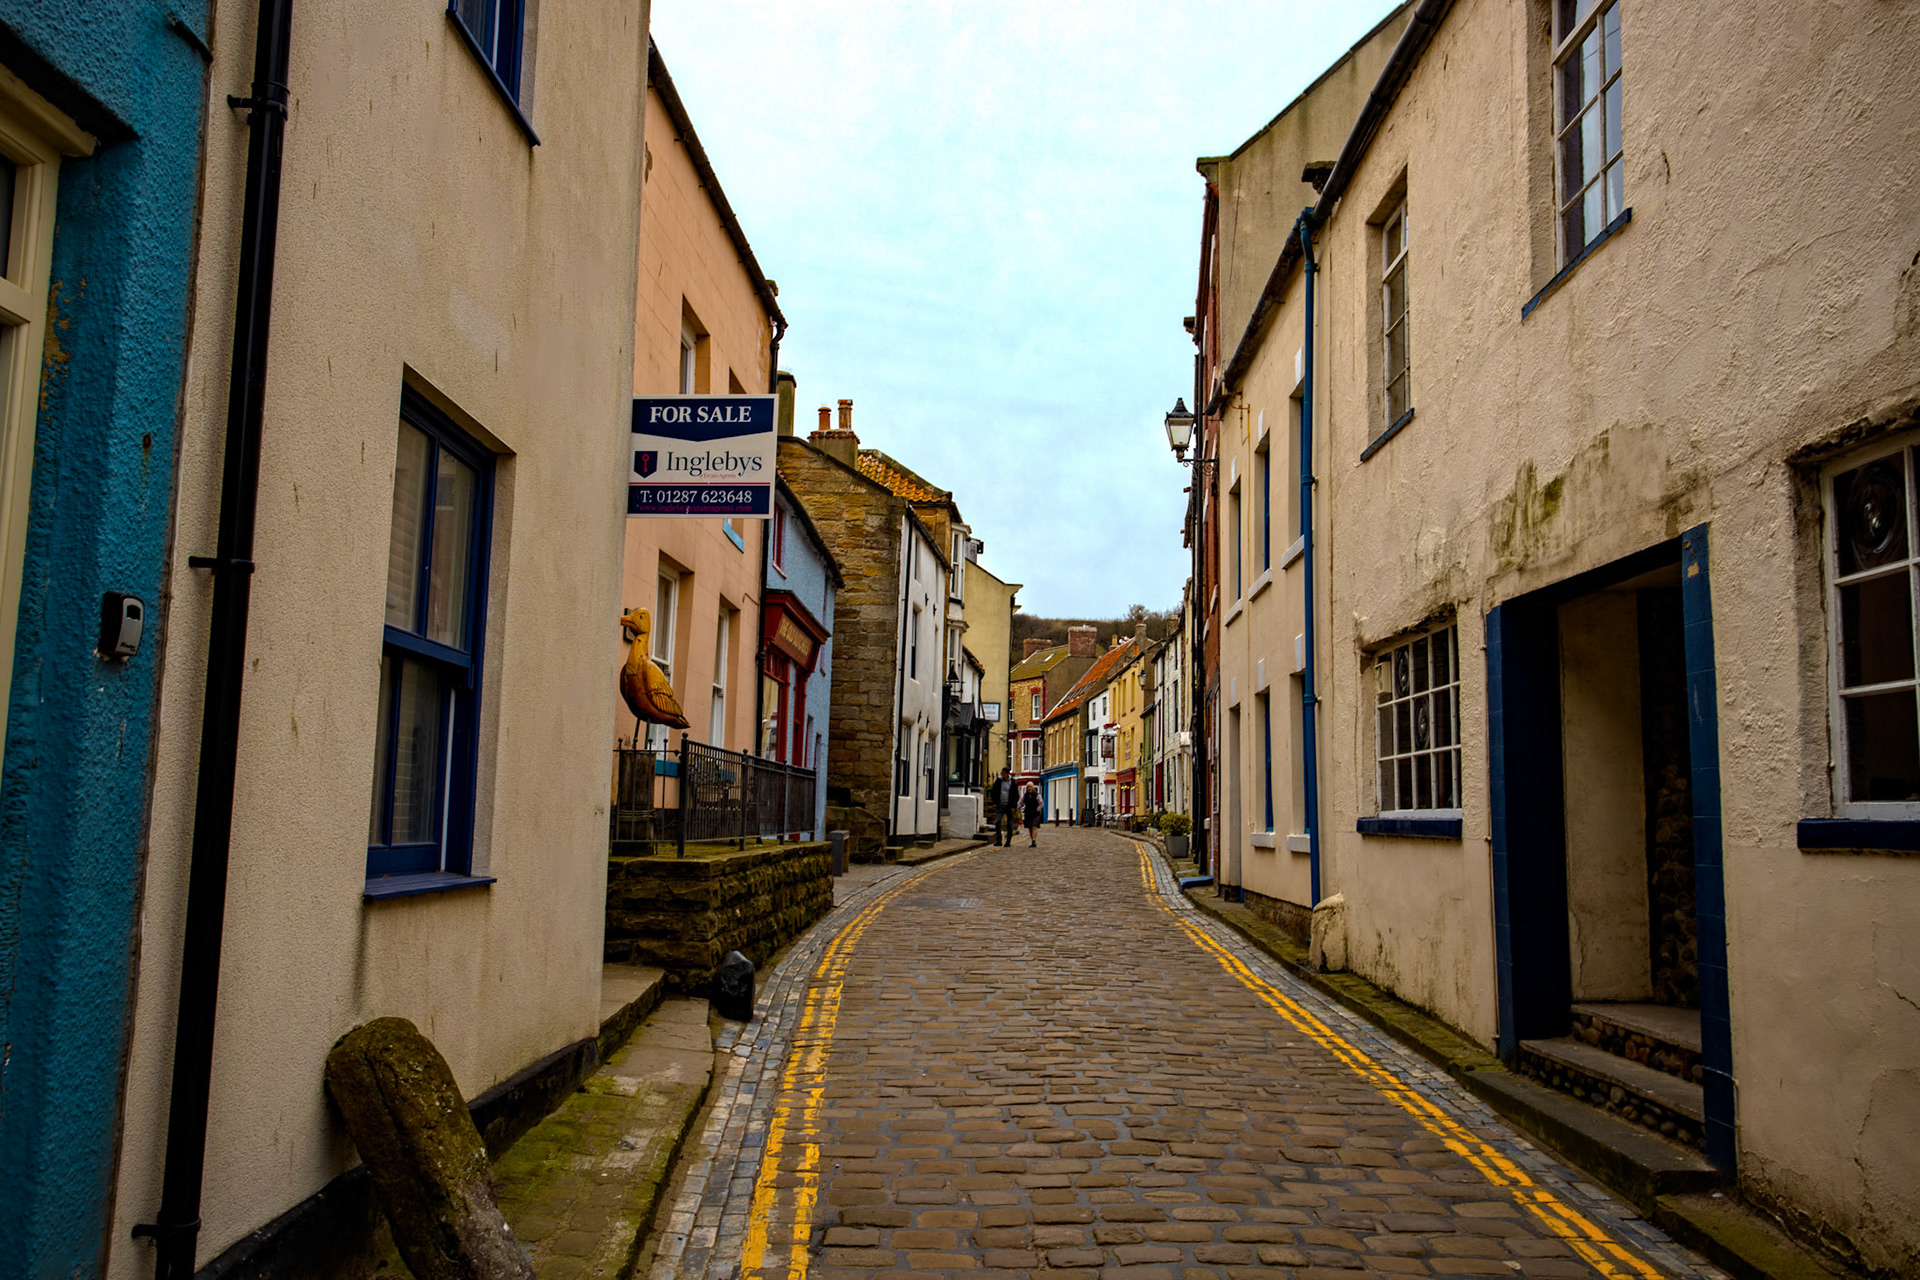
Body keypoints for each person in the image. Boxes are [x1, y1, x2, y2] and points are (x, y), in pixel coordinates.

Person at [987, 767, 1020, 846]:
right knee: (998, 822)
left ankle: (1008, 841)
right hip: (1000, 805)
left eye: (1004, 773)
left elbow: (1016, 795)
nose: (1002, 775)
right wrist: (995, 802)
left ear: (1008, 774)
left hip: (1009, 806)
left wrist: (1013, 806)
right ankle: (999, 840)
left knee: (1009, 824)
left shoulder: (1013, 782)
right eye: (1001, 773)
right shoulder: (998, 781)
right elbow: (993, 791)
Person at [1021, 783, 1042, 848]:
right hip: (1028, 813)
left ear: (1033, 788)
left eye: (1030, 787)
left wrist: (1038, 809)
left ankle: (1034, 840)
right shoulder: (1025, 796)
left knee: (1034, 826)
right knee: (1030, 827)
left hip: (1035, 813)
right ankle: (1032, 841)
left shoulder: (1037, 795)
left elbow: (1041, 803)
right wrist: (1016, 808)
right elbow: (1020, 803)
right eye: (1028, 787)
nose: (1029, 788)